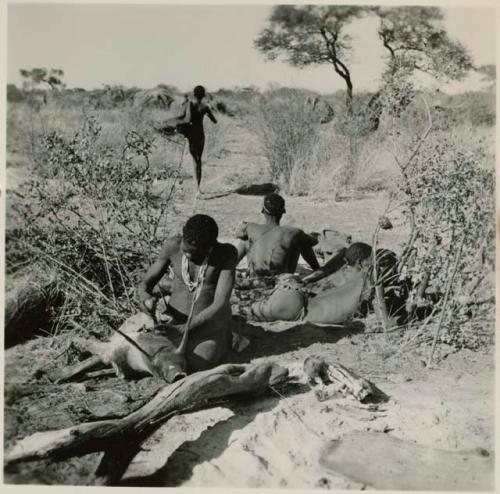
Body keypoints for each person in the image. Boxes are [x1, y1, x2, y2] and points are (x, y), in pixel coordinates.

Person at [137, 214, 237, 372]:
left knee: (200, 363)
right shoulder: (173, 246)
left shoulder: (225, 254)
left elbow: (220, 303)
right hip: (172, 325)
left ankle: (226, 338)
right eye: (185, 250)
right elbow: (145, 284)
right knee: (141, 351)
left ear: (210, 247)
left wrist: (185, 329)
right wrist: (145, 298)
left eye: (195, 254)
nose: (188, 256)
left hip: (207, 330)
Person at [243, 242, 400, 325]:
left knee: (243, 307)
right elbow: (385, 322)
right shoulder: (372, 283)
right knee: (239, 312)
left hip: (296, 293)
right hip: (297, 309)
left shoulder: (357, 274)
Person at [235, 193, 320, 281]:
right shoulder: (293, 232)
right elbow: (314, 242)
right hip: (279, 283)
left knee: (247, 238)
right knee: (301, 241)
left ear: (262, 211)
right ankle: (317, 269)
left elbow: (239, 233)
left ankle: (234, 263)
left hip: (254, 282)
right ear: (283, 211)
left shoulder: (249, 227)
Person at [176, 85, 217, 197]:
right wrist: (209, 111)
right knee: (199, 160)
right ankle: (198, 188)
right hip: (201, 135)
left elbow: (181, 118)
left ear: (194, 94)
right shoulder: (205, 107)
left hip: (192, 135)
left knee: (195, 160)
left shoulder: (189, 105)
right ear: (203, 95)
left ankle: (197, 189)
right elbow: (214, 121)